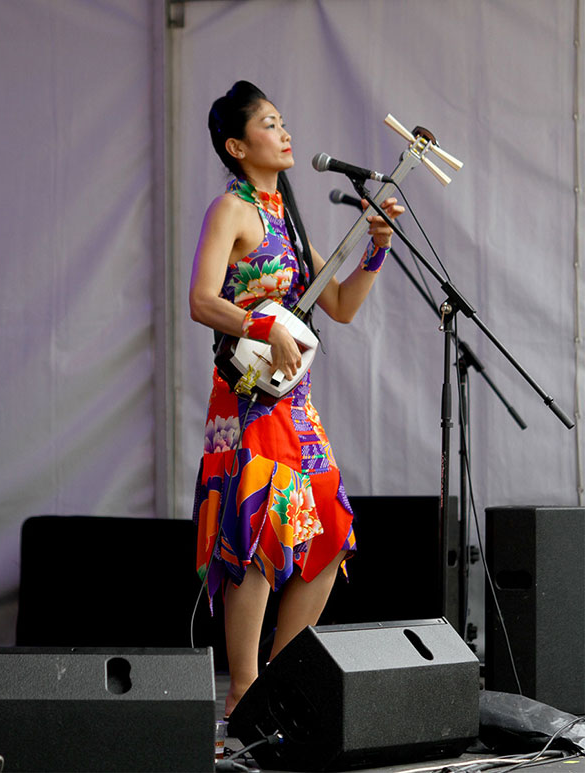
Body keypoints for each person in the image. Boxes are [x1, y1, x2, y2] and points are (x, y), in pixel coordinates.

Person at [190, 81, 403, 718]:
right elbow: (202, 301)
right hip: (247, 397)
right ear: (237, 144)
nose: (285, 133)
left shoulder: (287, 214)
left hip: (295, 400)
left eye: (284, 121)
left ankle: (278, 685)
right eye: (269, 123)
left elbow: (337, 306)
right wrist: (266, 325)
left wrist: (377, 247)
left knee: (330, 534)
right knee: (257, 529)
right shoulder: (230, 210)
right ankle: (243, 688)